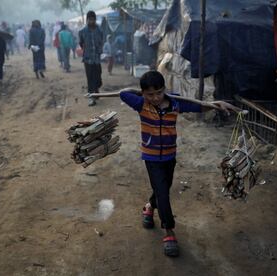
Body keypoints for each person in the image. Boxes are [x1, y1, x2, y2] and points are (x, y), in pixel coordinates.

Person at [92, 71, 238, 257]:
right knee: (163, 193)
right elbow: (123, 94)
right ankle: (169, 231)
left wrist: (216, 106)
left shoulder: (175, 103)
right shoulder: (141, 104)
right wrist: (139, 93)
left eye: (159, 93)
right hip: (152, 158)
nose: (155, 98)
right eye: (150, 94)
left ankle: (149, 207)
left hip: (170, 156)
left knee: (163, 190)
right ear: (144, 94)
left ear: (165, 90)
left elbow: (199, 107)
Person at [79, 11, 103, 106]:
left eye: (93, 19)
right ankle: (91, 98)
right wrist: (86, 50)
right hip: (88, 59)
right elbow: (81, 43)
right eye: (90, 19)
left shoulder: (99, 30)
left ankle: (96, 89)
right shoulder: (82, 31)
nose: (91, 21)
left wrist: (99, 51)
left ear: (95, 20)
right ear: (87, 20)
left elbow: (101, 41)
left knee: (98, 76)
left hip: (97, 58)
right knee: (90, 78)